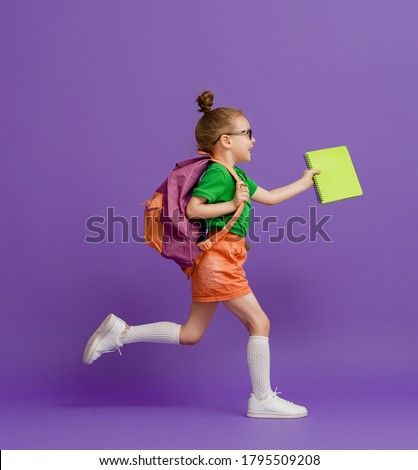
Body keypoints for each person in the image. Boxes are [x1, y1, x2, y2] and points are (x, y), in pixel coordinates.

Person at [82, 90, 320, 419]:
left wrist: (304, 183)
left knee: (191, 334)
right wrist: (234, 204)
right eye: (247, 133)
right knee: (259, 322)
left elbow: (272, 197)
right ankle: (262, 398)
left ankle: (122, 333)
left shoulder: (237, 175)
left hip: (219, 260)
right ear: (226, 140)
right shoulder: (218, 173)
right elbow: (195, 209)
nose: (253, 139)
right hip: (218, 261)